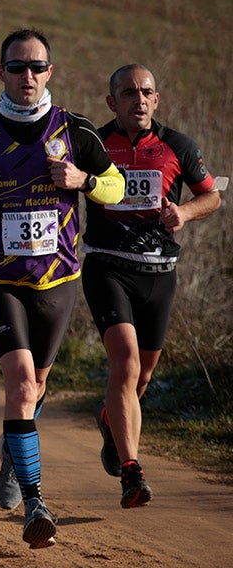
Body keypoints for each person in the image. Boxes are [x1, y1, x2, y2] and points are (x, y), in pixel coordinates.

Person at [0, 29, 125, 548]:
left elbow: (114, 186)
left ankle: (10, 451)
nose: (28, 76)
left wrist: (82, 182)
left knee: (37, 384)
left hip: (58, 278)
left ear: (50, 72)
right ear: (0, 72)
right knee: (21, 383)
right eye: (17, 67)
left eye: (37, 67)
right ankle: (36, 499)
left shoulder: (77, 130)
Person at [82, 64, 221, 508]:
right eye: (128, 93)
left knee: (140, 377)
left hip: (160, 273)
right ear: (112, 102)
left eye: (146, 92)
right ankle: (131, 472)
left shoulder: (178, 145)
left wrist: (185, 213)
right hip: (108, 268)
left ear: (156, 100)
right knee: (123, 362)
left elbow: (212, 195)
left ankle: (109, 417)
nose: (137, 100)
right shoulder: (94, 145)